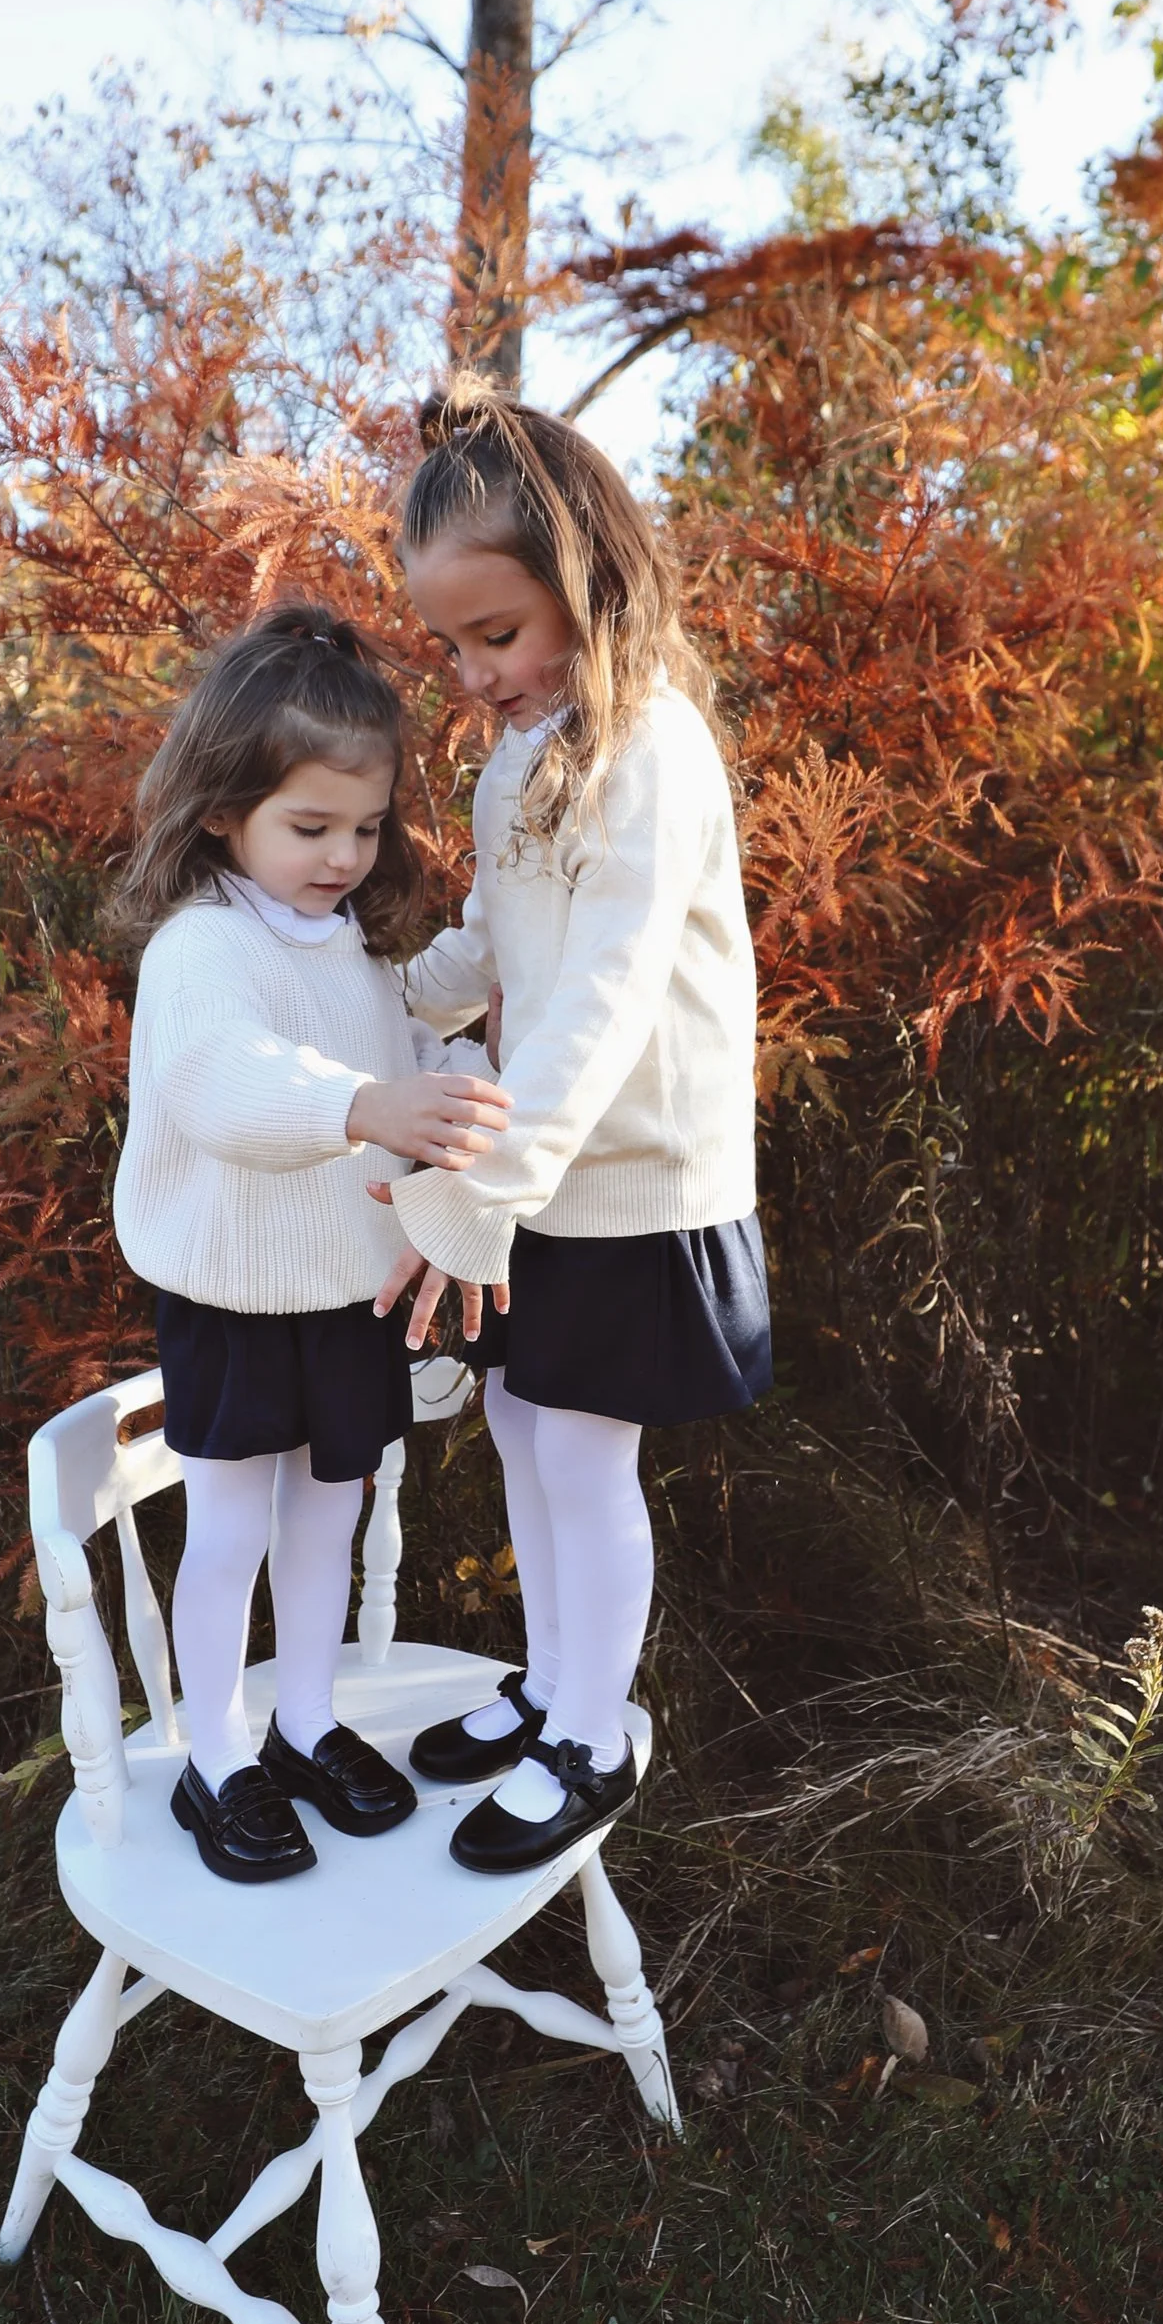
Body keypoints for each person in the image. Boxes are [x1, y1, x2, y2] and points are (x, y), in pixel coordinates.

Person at [379, 381, 769, 1876]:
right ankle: (550, 1690)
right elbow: (501, 933)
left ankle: (594, 1739)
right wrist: (394, 1001)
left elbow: (602, 1000)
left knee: (584, 1450)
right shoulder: (518, 755)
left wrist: (484, 1191)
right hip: (538, 1165)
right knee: (526, 1425)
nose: (477, 673)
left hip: (633, 1173)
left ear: (589, 584)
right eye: (453, 645)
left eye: (501, 633)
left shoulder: (647, 750)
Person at [110, 602, 516, 1885]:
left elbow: (394, 1056)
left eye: (363, 828)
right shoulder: (202, 950)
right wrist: (363, 1106)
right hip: (232, 1294)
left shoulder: (344, 946)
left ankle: (303, 1722)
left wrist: (470, 1076)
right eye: (309, 827)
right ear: (224, 811)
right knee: (230, 1528)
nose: (342, 856)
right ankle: (215, 1754)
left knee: (328, 1515)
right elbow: (231, 1083)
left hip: (344, 1290)